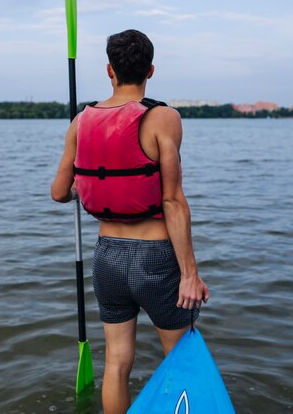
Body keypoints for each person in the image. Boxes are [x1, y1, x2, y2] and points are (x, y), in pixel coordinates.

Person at [51, 29, 209, 414]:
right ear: (150, 70)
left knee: (117, 364)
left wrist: (87, 189)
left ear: (110, 70)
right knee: (180, 362)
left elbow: (60, 191)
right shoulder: (163, 118)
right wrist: (189, 273)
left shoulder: (80, 121)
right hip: (156, 258)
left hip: (107, 258)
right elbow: (172, 199)